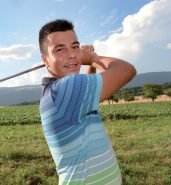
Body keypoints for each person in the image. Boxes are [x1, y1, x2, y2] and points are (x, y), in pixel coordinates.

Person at [39, 19, 136, 185]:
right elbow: (127, 70)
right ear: (45, 60)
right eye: (60, 49)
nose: (71, 55)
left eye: (75, 46)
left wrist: (90, 66)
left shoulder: (58, 91)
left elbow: (88, 92)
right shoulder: (64, 88)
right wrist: (92, 57)